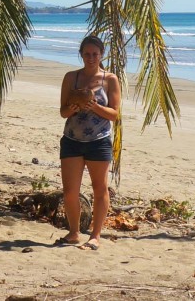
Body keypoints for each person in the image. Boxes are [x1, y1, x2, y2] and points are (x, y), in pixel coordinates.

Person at [56, 34, 121, 250]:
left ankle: (95, 235)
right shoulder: (71, 78)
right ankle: (74, 232)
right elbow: (63, 112)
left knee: (99, 189)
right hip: (72, 140)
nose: (91, 57)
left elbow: (114, 114)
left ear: (101, 55)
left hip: (98, 141)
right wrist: (73, 107)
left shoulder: (109, 79)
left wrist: (93, 106)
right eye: (87, 54)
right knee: (70, 192)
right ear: (81, 55)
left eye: (95, 54)